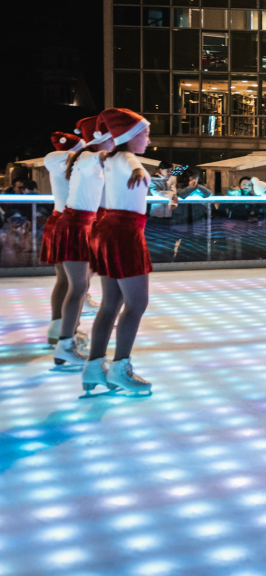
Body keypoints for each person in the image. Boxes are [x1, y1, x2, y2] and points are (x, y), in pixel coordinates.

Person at [84, 108, 155, 394]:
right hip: (125, 234)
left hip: (107, 230)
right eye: (146, 133)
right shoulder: (126, 157)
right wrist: (138, 169)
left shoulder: (109, 159)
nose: (149, 140)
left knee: (110, 304)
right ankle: (119, 368)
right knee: (136, 304)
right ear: (131, 136)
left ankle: (93, 367)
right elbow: (132, 165)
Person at [51, 116, 114, 367]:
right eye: (112, 137)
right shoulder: (89, 158)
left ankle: (68, 340)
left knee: (79, 287)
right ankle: (65, 343)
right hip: (76, 226)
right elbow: (105, 158)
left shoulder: (87, 160)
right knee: (77, 288)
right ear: (101, 139)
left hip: (82, 226)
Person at [41, 130, 85, 353]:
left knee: (65, 282)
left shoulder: (62, 163)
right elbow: (51, 157)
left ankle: (58, 329)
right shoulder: (67, 162)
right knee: (76, 285)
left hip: (60, 220)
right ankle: (67, 332)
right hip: (72, 223)